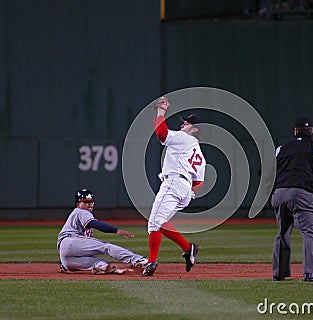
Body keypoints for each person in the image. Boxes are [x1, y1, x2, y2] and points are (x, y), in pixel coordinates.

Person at [143, 96, 206, 276]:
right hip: (185, 191)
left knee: (156, 221)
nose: (182, 125)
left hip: (174, 183)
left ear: (194, 129)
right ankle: (152, 262)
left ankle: (188, 247)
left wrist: (161, 111)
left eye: (186, 123)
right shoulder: (199, 152)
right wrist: (185, 187)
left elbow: (162, 134)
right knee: (154, 225)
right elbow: (198, 183)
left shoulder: (185, 138)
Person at [271, 115, 313, 282]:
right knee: (310, 232)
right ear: (312, 131)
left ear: (295, 131)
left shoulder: (280, 149)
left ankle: (279, 273)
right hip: (300, 193)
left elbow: (266, 175)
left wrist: (273, 194)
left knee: (283, 233)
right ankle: (310, 273)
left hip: (279, 193)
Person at [57, 188, 148, 274]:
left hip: (67, 259)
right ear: (78, 204)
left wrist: (64, 263)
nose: (90, 204)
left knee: (102, 262)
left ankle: (102, 267)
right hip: (71, 241)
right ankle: (137, 260)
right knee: (106, 247)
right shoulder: (81, 212)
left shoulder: (77, 215)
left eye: (92, 201)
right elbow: (95, 224)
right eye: (85, 202)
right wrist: (116, 230)